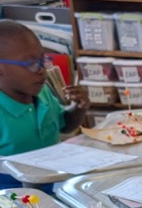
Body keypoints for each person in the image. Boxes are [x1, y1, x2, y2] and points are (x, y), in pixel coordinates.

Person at [0, 20, 88, 188]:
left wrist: (78, 107)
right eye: (31, 64)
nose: (42, 70)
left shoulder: (42, 92)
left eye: (43, 61)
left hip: (55, 180)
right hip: (13, 194)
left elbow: (64, 126)